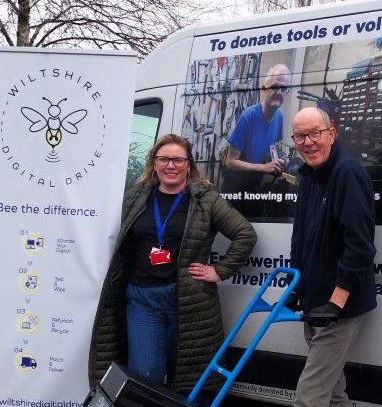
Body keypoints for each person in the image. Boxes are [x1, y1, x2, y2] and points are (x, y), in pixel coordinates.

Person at [230, 107, 378, 407]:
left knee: (309, 399)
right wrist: (298, 289)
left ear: (331, 132)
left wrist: (337, 299)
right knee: (332, 395)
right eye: (300, 136)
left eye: (314, 133)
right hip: (314, 299)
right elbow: (304, 239)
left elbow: (360, 245)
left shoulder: (348, 174)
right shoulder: (309, 176)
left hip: (339, 308)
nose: (308, 142)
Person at [88, 133, 257, 391]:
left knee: (188, 385)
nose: (171, 165)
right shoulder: (137, 197)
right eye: (164, 159)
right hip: (142, 302)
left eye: (178, 160)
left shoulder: (205, 199)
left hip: (187, 302)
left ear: (188, 164)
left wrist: (220, 271)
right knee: (144, 381)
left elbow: (245, 234)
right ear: (154, 163)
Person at [221, 64, 291, 204]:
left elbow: (271, 148)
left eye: (283, 88)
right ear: (264, 88)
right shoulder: (249, 116)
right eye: (275, 87)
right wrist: (263, 168)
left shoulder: (280, 116)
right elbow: (230, 162)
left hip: (256, 187)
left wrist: (276, 162)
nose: (279, 92)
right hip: (235, 189)